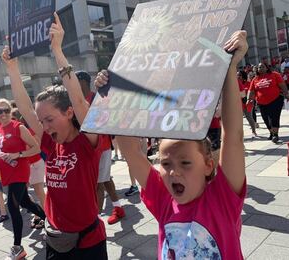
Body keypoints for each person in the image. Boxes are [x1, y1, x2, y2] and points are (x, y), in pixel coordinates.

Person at [95, 31, 248, 259]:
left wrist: (229, 68)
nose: (174, 171)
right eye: (165, 163)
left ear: (208, 165)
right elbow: (132, 153)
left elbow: (233, 138)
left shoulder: (222, 199)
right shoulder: (163, 198)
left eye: (185, 162)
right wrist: (112, 94)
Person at [2, 12, 107, 259]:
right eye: (42, 122)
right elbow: (25, 108)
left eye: (49, 119)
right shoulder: (50, 143)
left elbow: (79, 99)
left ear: (69, 112)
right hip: (56, 239)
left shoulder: (87, 142)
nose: (44, 127)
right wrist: (13, 68)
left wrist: (58, 50)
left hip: (88, 241)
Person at [0, 98, 46, 259]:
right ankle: (51, 223)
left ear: (10, 111)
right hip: (7, 175)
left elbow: (36, 147)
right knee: (26, 203)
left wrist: (18, 154)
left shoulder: (18, 127)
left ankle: (17, 247)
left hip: (19, 172)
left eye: (6, 110)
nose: (3, 114)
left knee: (12, 207)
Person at [76, 70, 125, 224]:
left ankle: (94, 221)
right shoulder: (79, 100)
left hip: (101, 146)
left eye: (75, 81)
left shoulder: (96, 97)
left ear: (82, 81)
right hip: (88, 148)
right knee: (104, 179)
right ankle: (118, 208)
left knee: (98, 183)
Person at [247, 63, 289, 143]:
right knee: (265, 119)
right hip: (261, 103)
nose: (261, 68)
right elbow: (251, 90)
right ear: (257, 69)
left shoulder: (274, 75)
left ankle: (275, 135)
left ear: (266, 68)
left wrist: (286, 94)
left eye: (263, 66)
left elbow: (282, 85)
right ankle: (271, 132)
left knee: (274, 117)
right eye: (259, 67)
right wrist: (249, 99)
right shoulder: (255, 79)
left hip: (276, 100)